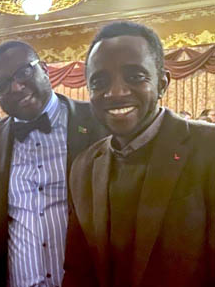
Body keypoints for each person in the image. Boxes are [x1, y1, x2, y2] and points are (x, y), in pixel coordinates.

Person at [63, 21, 215, 287]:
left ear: (163, 84)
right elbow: (78, 269)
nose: (116, 92)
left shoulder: (208, 147)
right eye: (100, 82)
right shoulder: (84, 165)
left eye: (135, 77)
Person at [0, 40, 106, 286]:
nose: (16, 87)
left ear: (44, 69)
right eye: (3, 84)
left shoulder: (97, 122)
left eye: (24, 72)